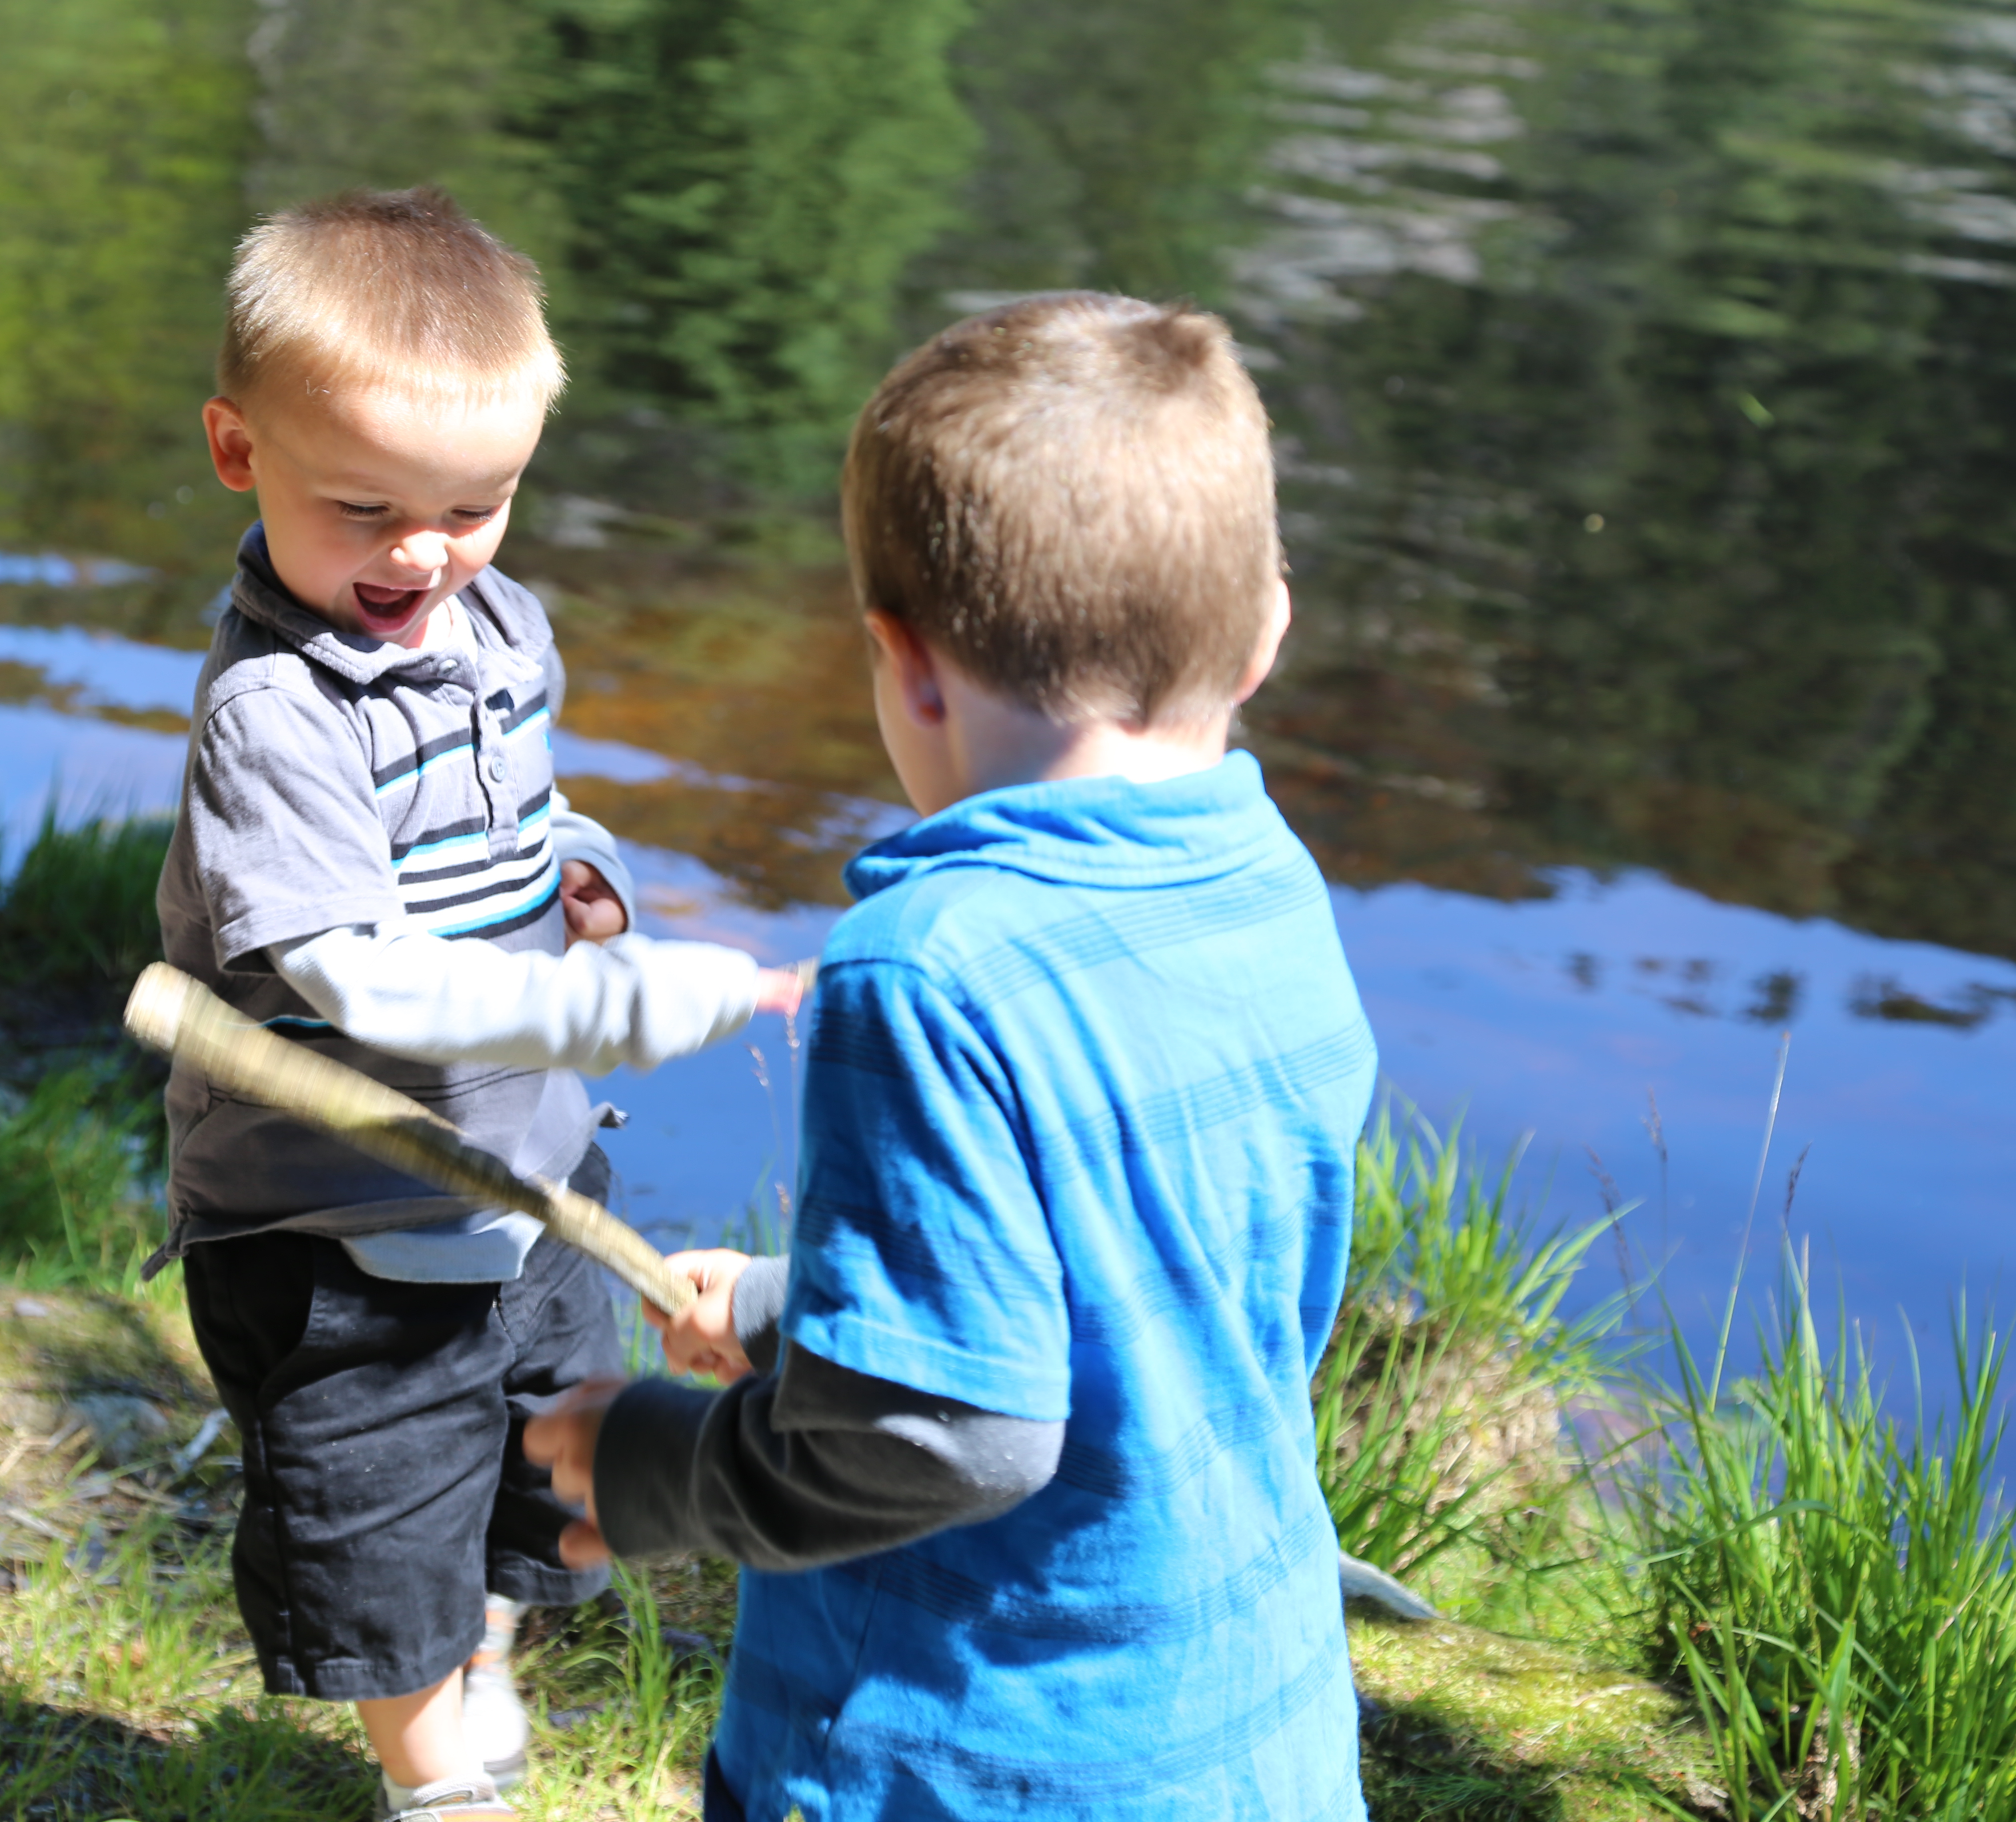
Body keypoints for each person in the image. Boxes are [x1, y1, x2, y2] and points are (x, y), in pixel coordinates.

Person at [526, 293, 1379, 1821]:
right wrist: (804, 1311)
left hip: (971, 1759)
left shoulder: (925, 971)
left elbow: (945, 1440)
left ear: (904, 666)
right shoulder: (1270, 887)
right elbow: (1142, 1285)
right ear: (1267, 630)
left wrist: (657, 1467)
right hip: (1254, 1739)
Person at [151, 186, 804, 1822]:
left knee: (541, 1462)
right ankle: (435, 1782)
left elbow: (522, 813)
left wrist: (580, 879)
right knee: (374, 1525)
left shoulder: (495, 628)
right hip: (339, 1229)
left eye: (478, 504)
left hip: (528, 1179)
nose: (424, 555)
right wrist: (615, 1012)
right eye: (367, 508)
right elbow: (355, 972)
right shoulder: (275, 718)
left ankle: (476, 1652)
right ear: (240, 452)